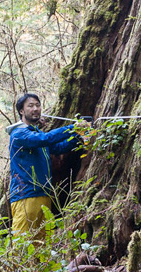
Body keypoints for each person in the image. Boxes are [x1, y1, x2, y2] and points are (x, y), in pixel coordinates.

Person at [6, 92, 91, 240]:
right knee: (22, 242)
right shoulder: (19, 134)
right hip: (25, 195)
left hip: (44, 194)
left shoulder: (35, 135)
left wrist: (79, 135)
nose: (35, 109)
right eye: (30, 106)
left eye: (38, 105)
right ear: (21, 111)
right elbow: (44, 139)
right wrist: (73, 127)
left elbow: (59, 147)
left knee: (42, 242)